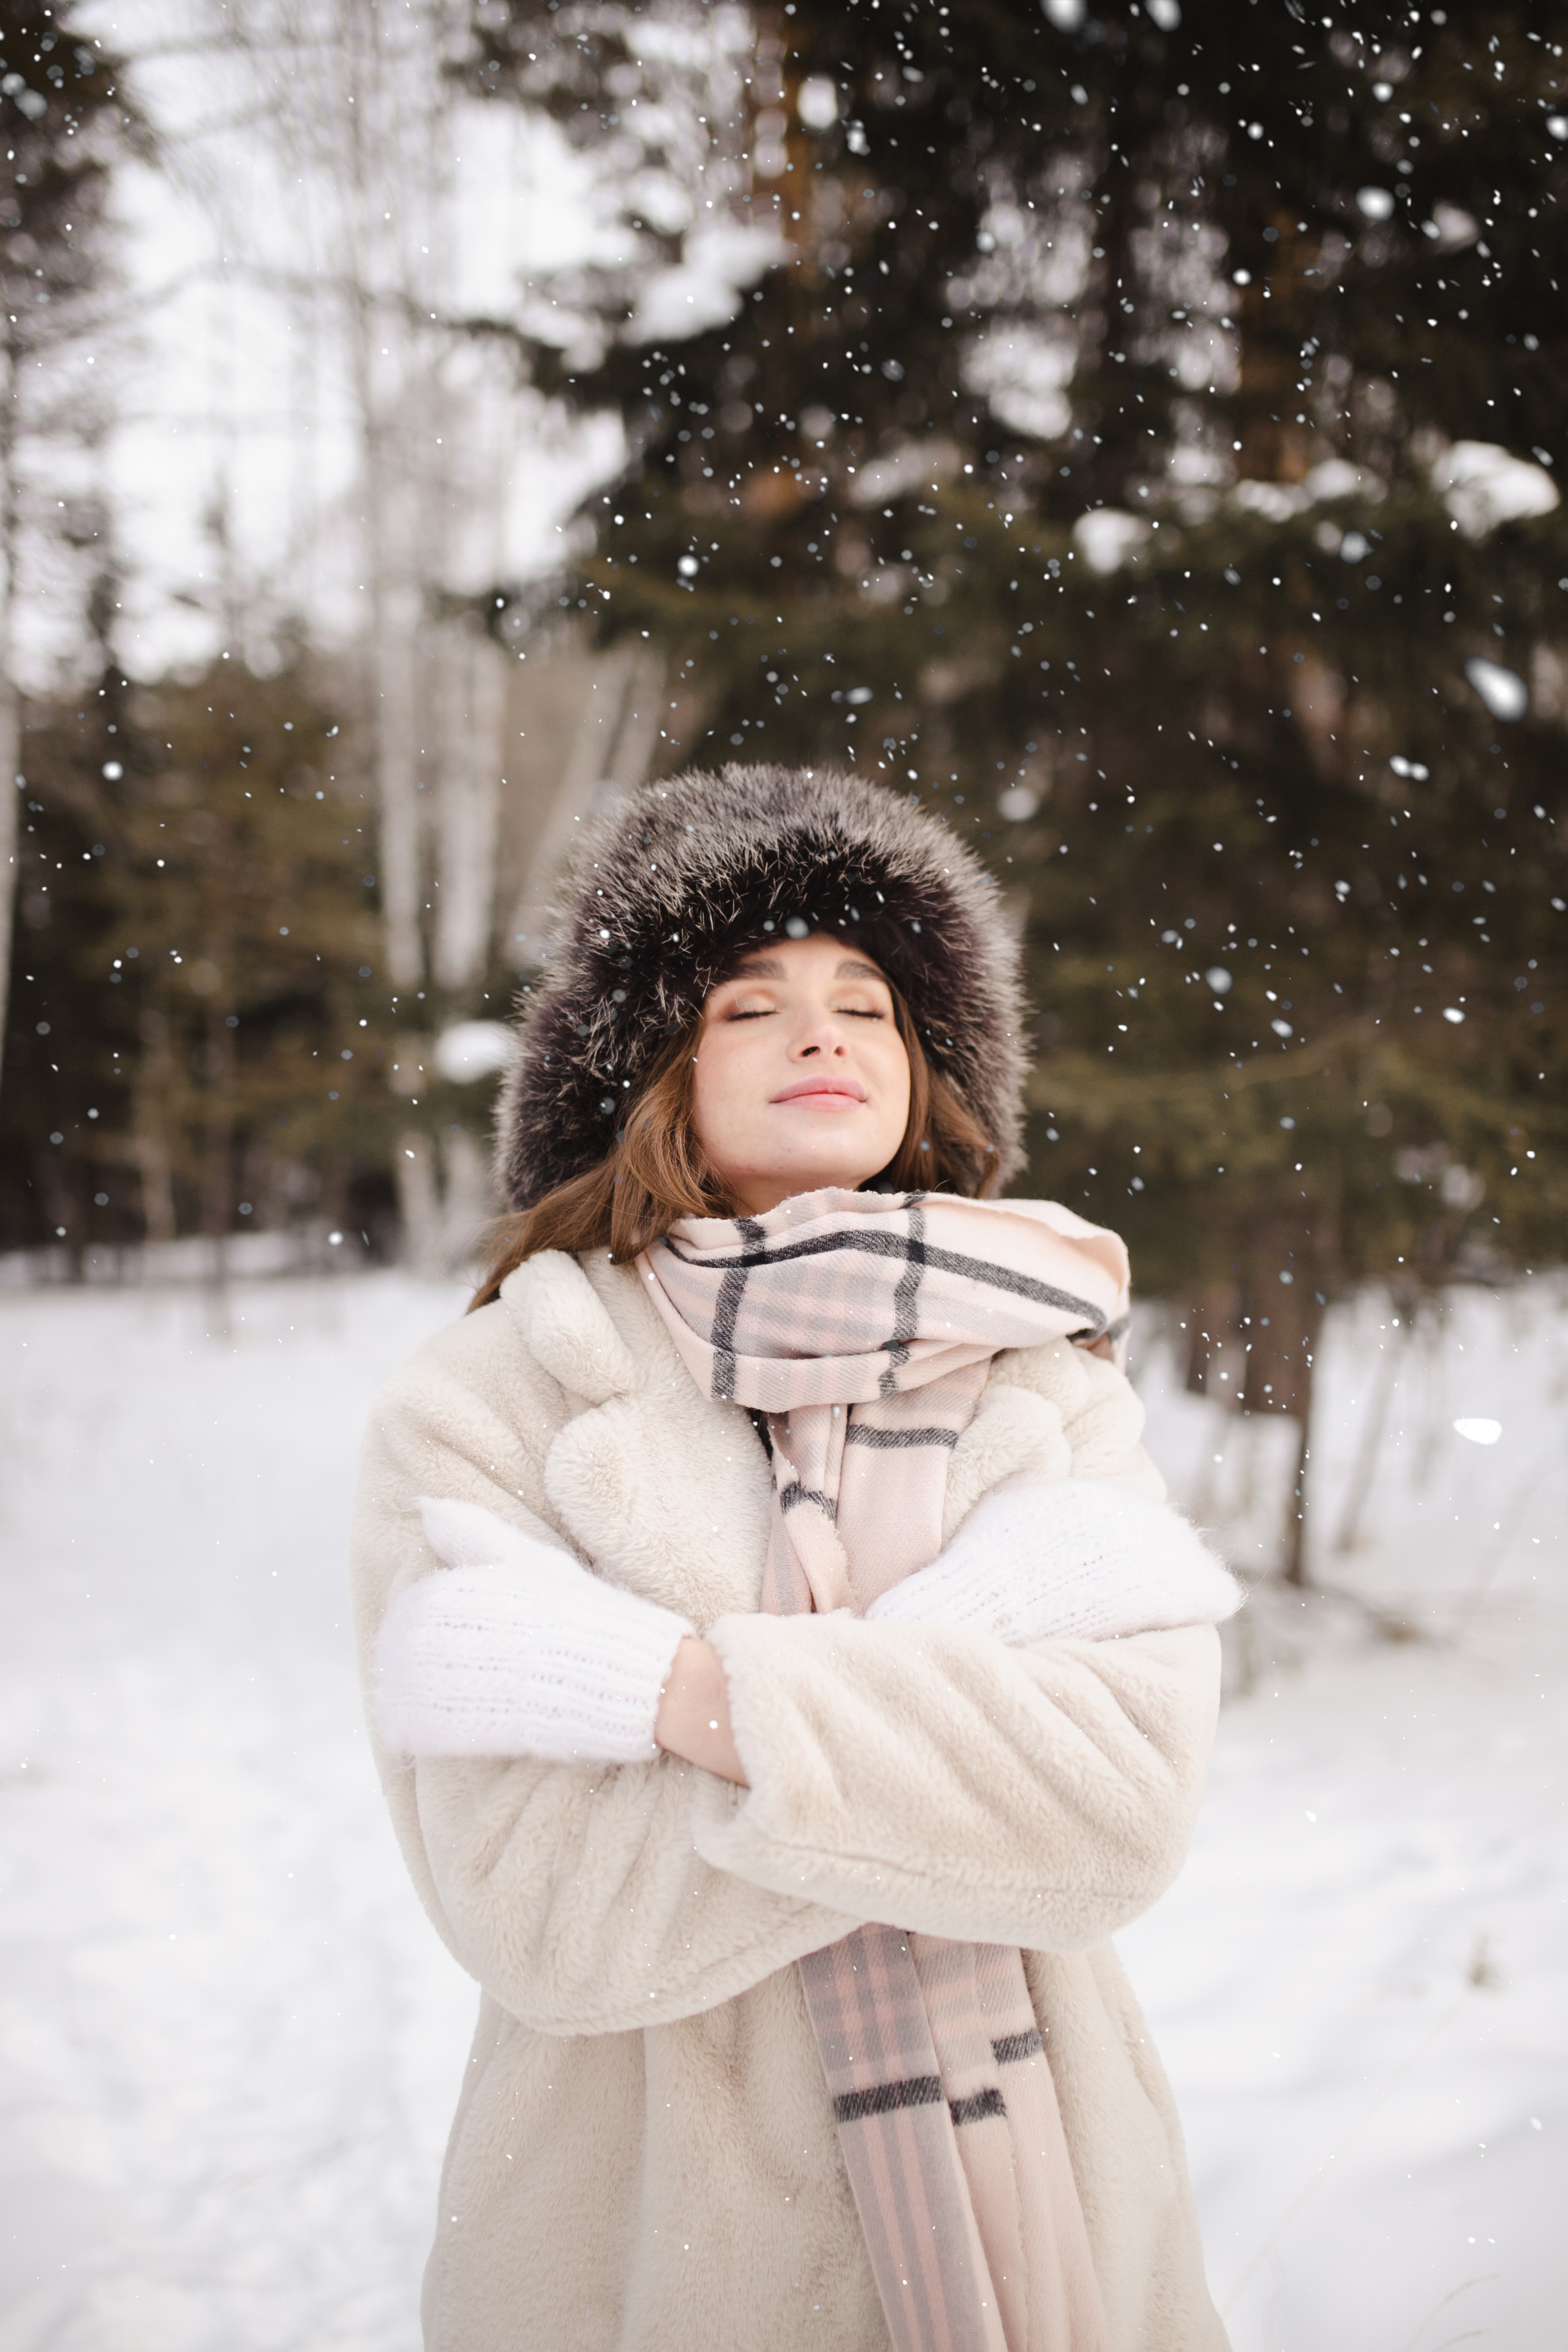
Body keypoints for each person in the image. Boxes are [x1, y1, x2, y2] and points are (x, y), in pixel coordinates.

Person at [352, 765, 1240, 2352]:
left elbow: (1118, 1814)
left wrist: (682, 1695)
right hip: (641, 2240)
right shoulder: (496, 1398)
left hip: (1056, 2222)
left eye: (872, 1004)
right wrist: (947, 1723)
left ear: (926, 1070)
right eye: (750, 1004)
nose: (825, 1032)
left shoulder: (1046, 1375)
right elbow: (544, 1912)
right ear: (651, 1070)